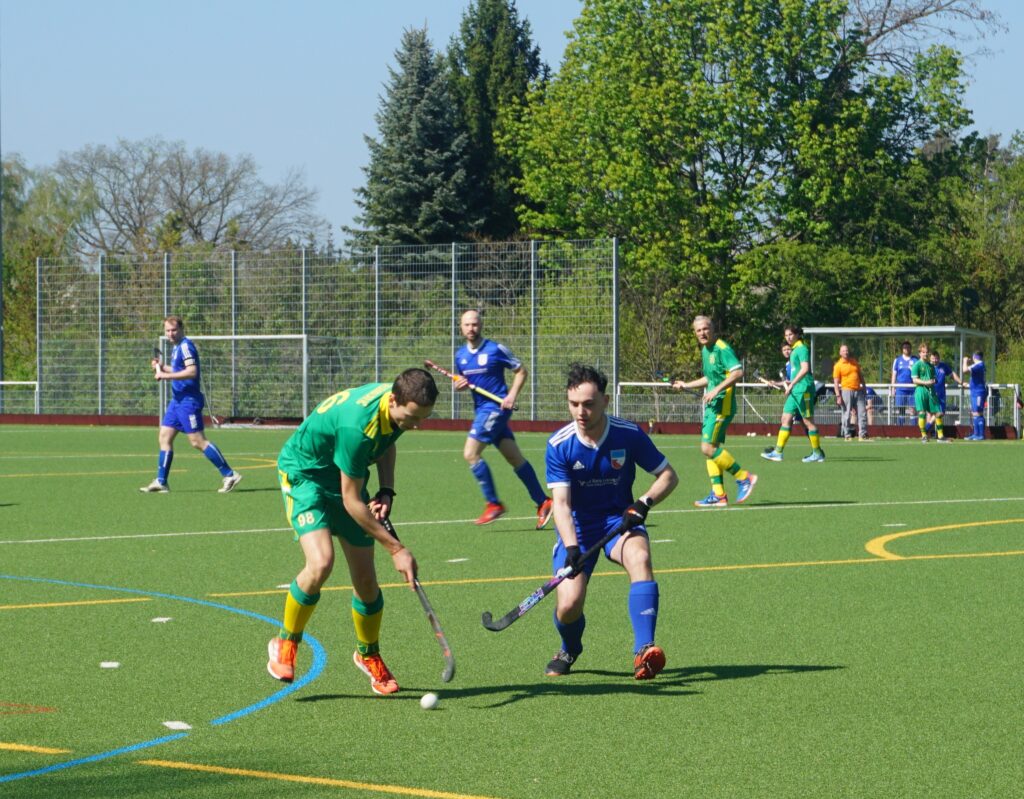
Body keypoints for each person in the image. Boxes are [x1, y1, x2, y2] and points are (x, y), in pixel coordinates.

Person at [266, 368, 438, 695]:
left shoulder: (398, 404)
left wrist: (386, 490)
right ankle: (286, 641)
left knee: (366, 581)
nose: (416, 425)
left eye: (422, 419)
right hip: (306, 475)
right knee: (321, 562)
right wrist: (396, 549)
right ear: (393, 400)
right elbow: (351, 501)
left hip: (344, 473)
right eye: (412, 418)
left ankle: (368, 654)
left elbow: (386, 441)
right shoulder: (357, 427)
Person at [544, 364, 678, 680]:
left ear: (605, 401)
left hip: (620, 521)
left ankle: (644, 651)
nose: (581, 412)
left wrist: (644, 502)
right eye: (574, 404)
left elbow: (668, 476)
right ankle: (569, 647)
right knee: (569, 605)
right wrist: (572, 547)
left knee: (640, 557)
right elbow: (561, 504)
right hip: (578, 528)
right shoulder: (559, 444)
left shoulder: (628, 434)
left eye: (589, 404)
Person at [454, 309, 553, 527]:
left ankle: (493, 504)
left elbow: (521, 371)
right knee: (514, 457)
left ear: (481, 325)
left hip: (495, 408)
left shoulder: (495, 349)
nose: (471, 328)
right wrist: (459, 385)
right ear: (461, 327)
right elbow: (462, 381)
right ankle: (543, 501)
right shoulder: (460, 355)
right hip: (481, 409)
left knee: (470, 453)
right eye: (467, 324)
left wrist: (511, 395)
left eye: (475, 324)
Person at [140, 315, 242, 493]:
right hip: (177, 401)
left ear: (181, 329)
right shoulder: (176, 348)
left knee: (197, 441)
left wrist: (165, 375)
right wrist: (163, 367)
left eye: (174, 330)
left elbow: (192, 371)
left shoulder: (186, 346)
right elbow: (179, 370)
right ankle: (161, 481)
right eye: (167, 331)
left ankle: (230, 474)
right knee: (164, 437)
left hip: (189, 402)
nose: (170, 334)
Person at [672, 316, 756, 508]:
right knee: (711, 450)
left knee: (707, 447)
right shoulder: (705, 350)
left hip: (722, 405)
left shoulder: (721, 348)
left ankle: (744, 477)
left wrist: (716, 390)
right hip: (713, 405)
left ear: (713, 329)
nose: (702, 333)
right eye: (698, 330)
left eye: (705, 328)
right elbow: (710, 379)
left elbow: (738, 372)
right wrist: (686, 385)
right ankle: (719, 495)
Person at [761, 325, 826, 463]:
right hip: (796, 389)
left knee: (808, 421)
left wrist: (791, 384)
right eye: (786, 335)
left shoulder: (802, 348)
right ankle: (778, 452)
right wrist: (785, 383)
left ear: (797, 334)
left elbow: (805, 369)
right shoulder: (795, 350)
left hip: (803, 389)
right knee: (785, 418)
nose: (788, 337)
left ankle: (817, 453)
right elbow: (796, 372)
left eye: (790, 334)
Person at [911, 343, 949, 443]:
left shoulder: (931, 366)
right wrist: (925, 382)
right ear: (919, 353)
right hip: (921, 391)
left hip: (931, 391)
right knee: (922, 413)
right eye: (923, 352)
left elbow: (934, 378)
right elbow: (914, 380)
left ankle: (940, 436)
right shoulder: (917, 365)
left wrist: (934, 381)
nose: (925, 354)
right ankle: (924, 435)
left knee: (939, 413)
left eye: (927, 352)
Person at [832, 344, 868, 440]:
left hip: (858, 391)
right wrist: (838, 395)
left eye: (847, 350)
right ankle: (846, 434)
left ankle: (862, 434)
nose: (846, 352)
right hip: (846, 391)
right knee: (847, 413)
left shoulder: (854, 362)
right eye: (844, 351)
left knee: (862, 412)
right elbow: (836, 382)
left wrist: (864, 386)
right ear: (840, 353)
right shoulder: (838, 365)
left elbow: (860, 375)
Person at [928, 349, 958, 436]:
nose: (935, 360)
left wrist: (961, 382)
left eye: (936, 358)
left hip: (941, 394)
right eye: (933, 358)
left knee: (940, 413)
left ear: (939, 358)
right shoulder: (927, 367)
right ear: (930, 359)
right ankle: (931, 433)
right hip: (930, 393)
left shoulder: (943, 366)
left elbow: (952, 374)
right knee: (931, 413)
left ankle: (928, 429)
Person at [891, 341, 918, 426]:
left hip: (913, 389)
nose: (906, 349)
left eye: (908, 347)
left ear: (911, 348)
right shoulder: (897, 360)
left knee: (913, 410)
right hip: (900, 389)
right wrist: (893, 388)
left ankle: (913, 429)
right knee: (901, 410)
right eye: (905, 347)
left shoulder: (915, 360)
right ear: (902, 349)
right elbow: (894, 375)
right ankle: (900, 429)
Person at [962, 351, 988, 440]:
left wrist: (965, 361)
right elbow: (977, 379)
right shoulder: (978, 365)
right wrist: (969, 385)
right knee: (974, 413)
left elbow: (964, 370)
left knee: (978, 412)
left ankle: (980, 435)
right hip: (975, 391)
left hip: (978, 392)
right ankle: (976, 433)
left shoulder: (979, 365)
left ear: (974, 357)